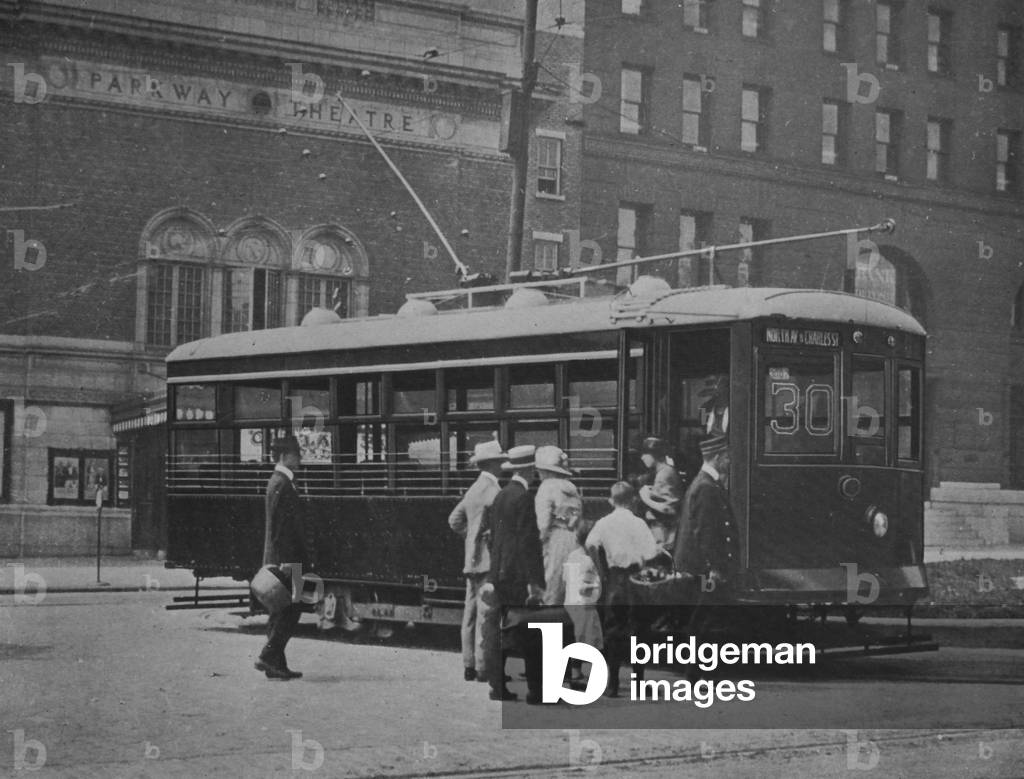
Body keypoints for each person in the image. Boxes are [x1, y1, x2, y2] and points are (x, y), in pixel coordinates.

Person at [480, 444, 546, 704]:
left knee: (498, 630)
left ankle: (498, 687)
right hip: (518, 576)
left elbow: (494, 538)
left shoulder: (502, 495)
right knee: (530, 632)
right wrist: (535, 581)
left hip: (500, 575)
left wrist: (494, 575)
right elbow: (528, 543)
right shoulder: (524, 498)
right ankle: (536, 691)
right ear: (530, 470)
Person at [586, 482, 659, 697]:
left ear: (611, 500)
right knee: (640, 630)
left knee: (613, 630)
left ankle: (613, 683)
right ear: (633, 500)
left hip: (614, 579)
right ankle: (638, 681)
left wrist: (602, 570)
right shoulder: (639, 523)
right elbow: (651, 553)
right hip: (637, 579)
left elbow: (590, 544)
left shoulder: (603, 522)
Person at [448, 440, 507, 683]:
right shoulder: (493, 491)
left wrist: (471, 538)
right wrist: (485, 540)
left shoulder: (474, 489)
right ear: (493, 463)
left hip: (470, 561)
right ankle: (483, 667)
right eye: (500, 461)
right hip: (486, 561)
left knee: (469, 614)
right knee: (486, 614)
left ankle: (468, 665)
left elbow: (454, 520)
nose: (504, 465)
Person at [256, 435, 312, 680]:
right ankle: (268, 656)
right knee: (293, 608)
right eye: (295, 454)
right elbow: (282, 529)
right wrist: (288, 561)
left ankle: (276, 664)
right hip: (289, 560)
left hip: (282, 558)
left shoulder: (278, 481)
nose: (298, 459)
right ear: (283, 456)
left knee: (279, 611)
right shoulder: (283, 484)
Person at [673, 434, 740, 592]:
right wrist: (715, 568)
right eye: (726, 457)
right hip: (704, 572)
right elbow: (707, 531)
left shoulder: (704, 482)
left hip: (699, 570)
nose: (729, 461)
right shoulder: (706, 487)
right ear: (717, 458)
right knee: (706, 613)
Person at [534, 445, 582, 607]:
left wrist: (539, 543)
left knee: (551, 588)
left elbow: (543, 522)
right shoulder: (571, 488)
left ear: (547, 471)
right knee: (570, 589)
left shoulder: (546, 488)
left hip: (554, 539)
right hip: (573, 539)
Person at [561, 520, 603, 689]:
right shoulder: (590, 560)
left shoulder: (572, 556)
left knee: (574, 638)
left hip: (570, 603)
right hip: (585, 605)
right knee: (587, 639)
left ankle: (574, 672)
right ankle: (582, 674)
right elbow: (593, 584)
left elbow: (566, 579)